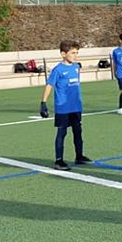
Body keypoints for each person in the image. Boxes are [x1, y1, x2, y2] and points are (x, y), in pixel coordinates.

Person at [39, 40, 92, 170]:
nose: (75, 55)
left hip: (76, 106)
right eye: (73, 53)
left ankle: (79, 156)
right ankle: (59, 161)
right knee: (62, 132)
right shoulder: (58, 70)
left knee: (78, 131)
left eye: (77, 53)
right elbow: (49, 85)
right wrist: (43, 103)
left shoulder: (76, 67)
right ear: (63, 54)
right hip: (63, 107)